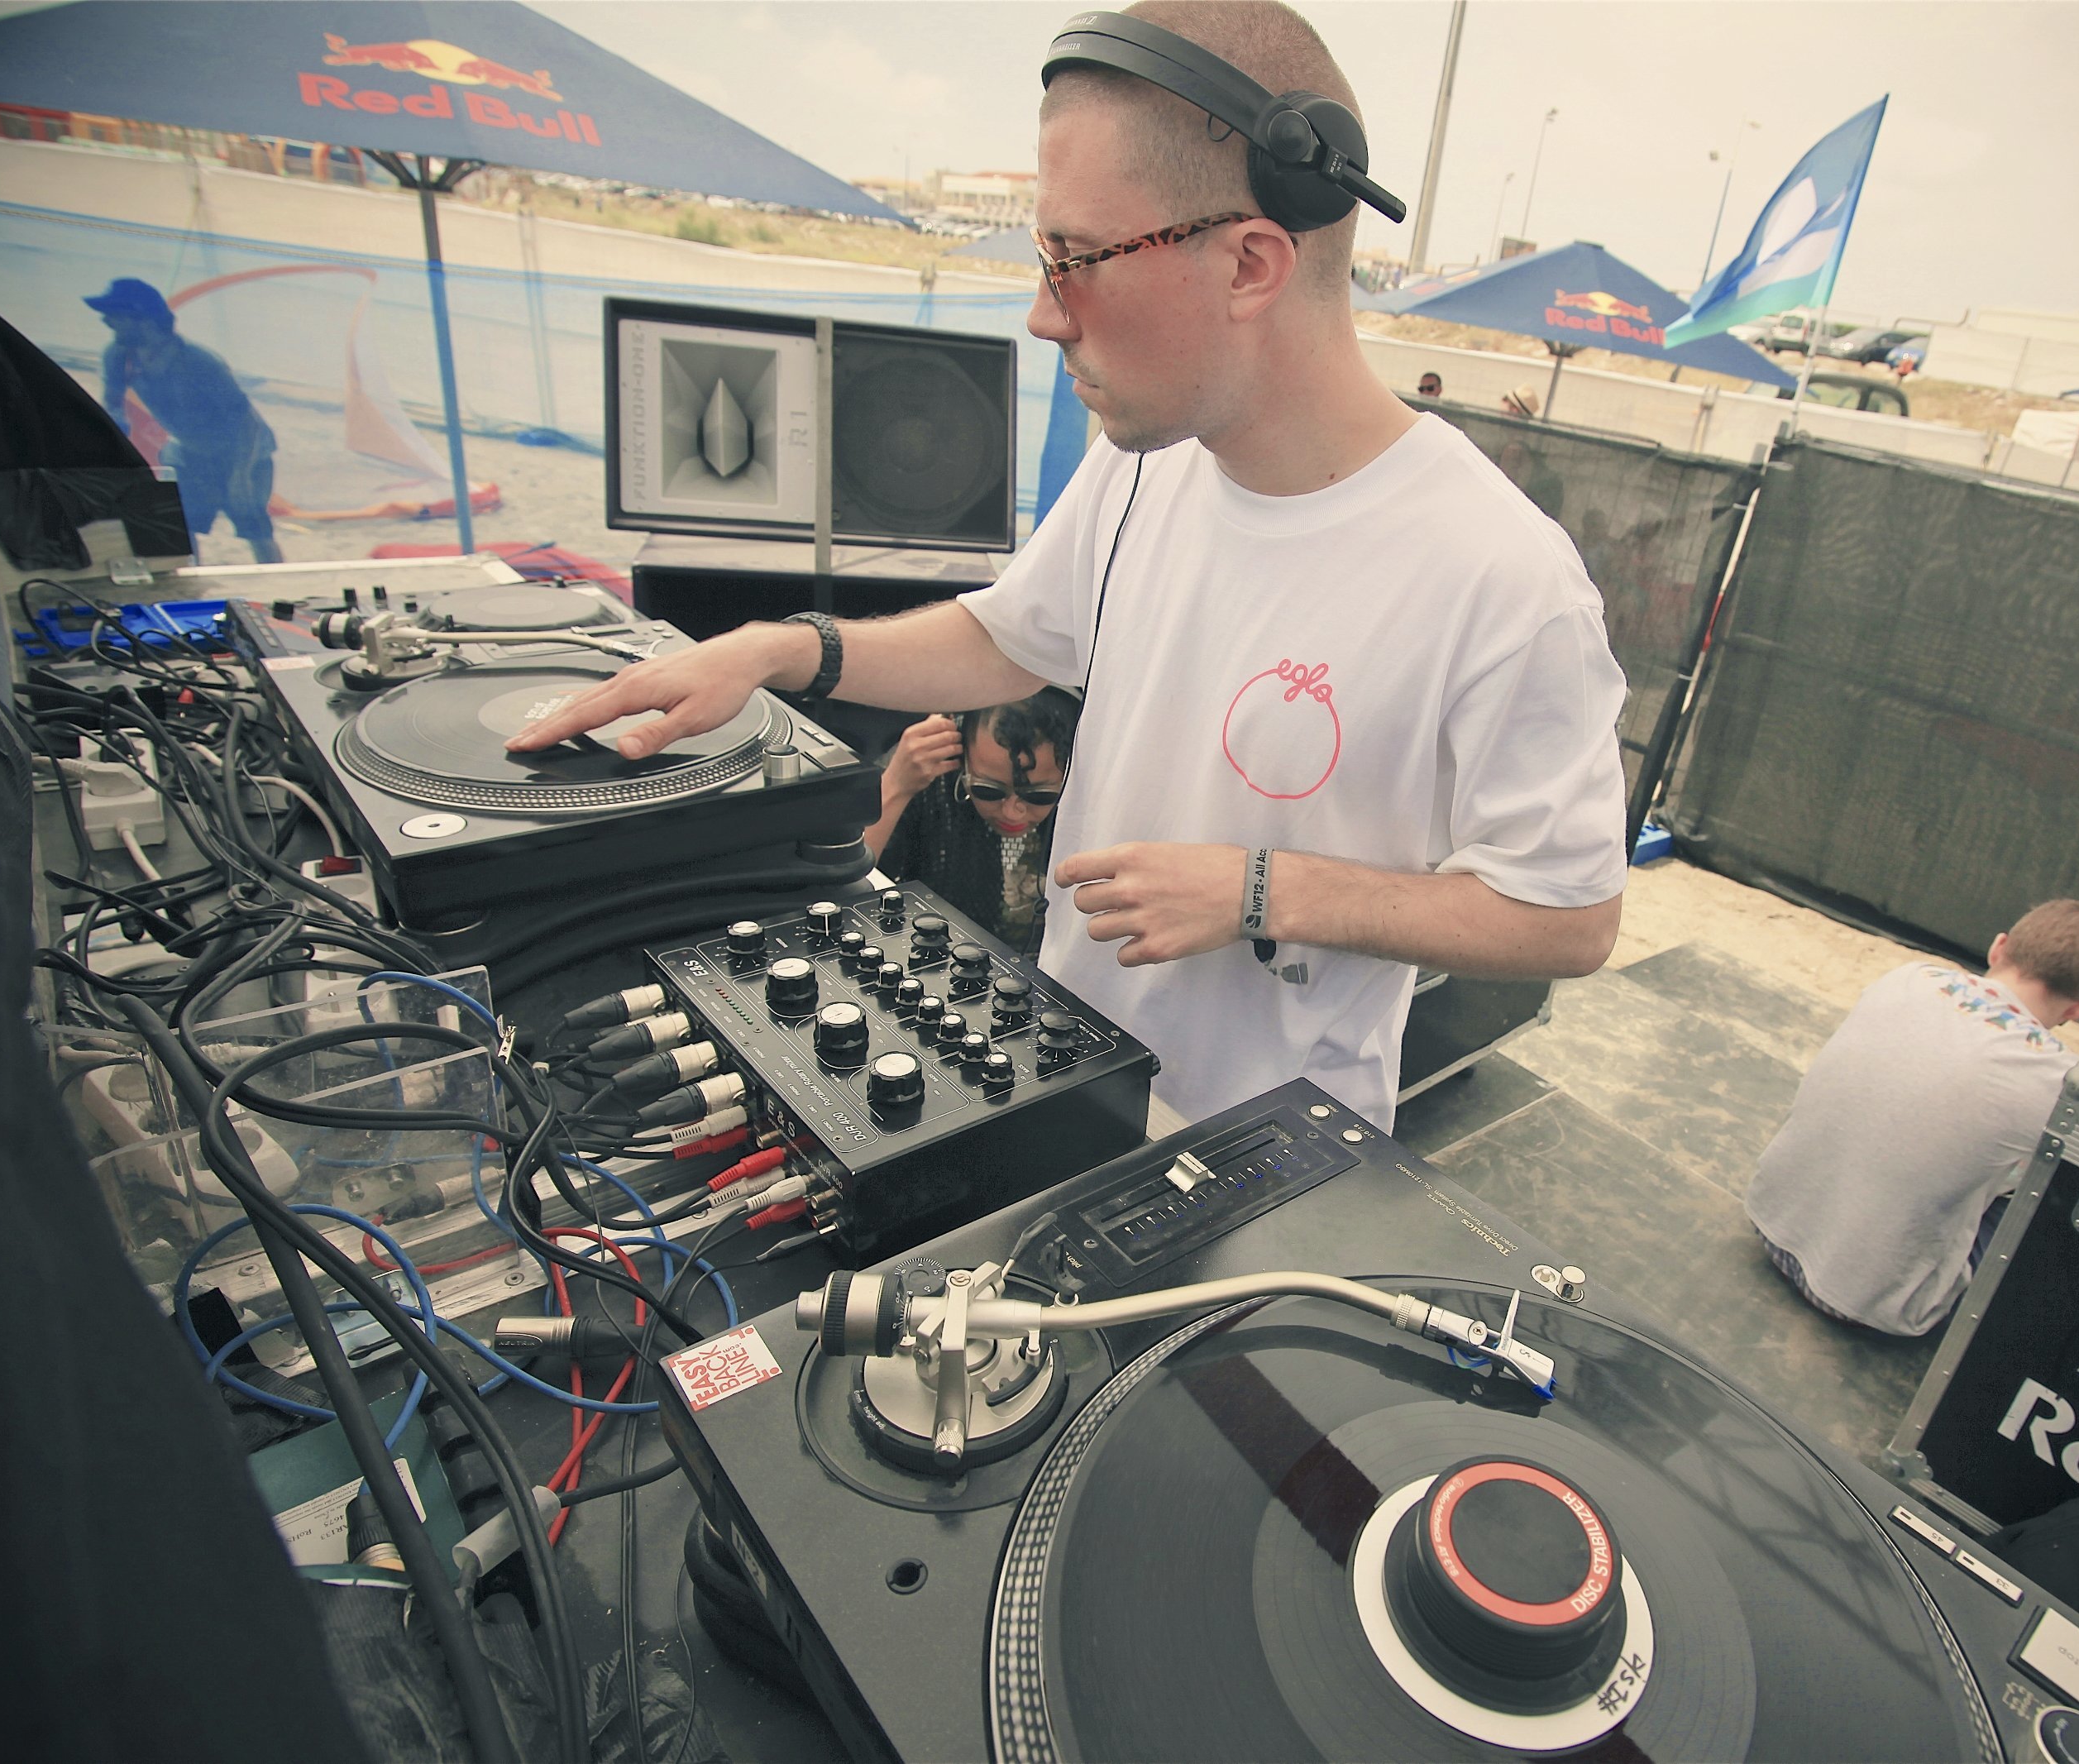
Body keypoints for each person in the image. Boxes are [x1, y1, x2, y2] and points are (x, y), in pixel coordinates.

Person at [508, 0, 1626, 1130]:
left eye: (1076, 260)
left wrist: (1264, 890)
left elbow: (1568, 916)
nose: (1044, 316)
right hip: (1061, 1070)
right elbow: (1008, 639)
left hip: (1277, 1146)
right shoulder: (1146, 461)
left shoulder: (1502, 578)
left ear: (1250, 263)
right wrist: (778, 651)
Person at [1747, 900, 2079, 1336]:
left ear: (1998, 947)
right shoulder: (2058, 1083)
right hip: (1871, 1305)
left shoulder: (1909, 977)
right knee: (2053, 1192)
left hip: (1770, 1223)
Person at [84, 278, 283, 563]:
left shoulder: (198, 362)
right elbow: (113, 408)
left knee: (255, 529)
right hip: (188, 451)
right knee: (181, 526)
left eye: (116, 315)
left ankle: (278, 580)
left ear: (144, 320)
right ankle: (193, 580)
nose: (106, 321)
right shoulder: (118, 356)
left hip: (243, 453)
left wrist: (240, 476)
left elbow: (246, 423)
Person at [865, 691, 1076, 957]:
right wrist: (896, 786)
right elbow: (843, 888)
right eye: (988, 790)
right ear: (962, 758)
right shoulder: (926, 777)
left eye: (1040, 796)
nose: (1012, 813)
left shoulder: (1093, 795)